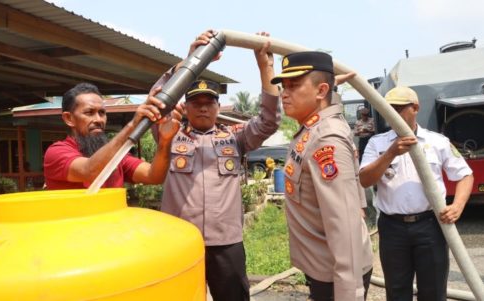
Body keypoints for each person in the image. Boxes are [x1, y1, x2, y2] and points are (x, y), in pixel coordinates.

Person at [152, 30, 280, 301]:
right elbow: (155, 104)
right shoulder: (169, 135)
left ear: (217, 106)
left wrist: (264, 66)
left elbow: (269, 120)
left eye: (208, 102)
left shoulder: (235, 138)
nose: (202, 108)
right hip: (180, 241)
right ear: (185, 107)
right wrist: (186, 62)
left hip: (226, 243)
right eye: (195, 103)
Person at [271, 51, 373, 300]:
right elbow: (330, 104)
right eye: (283, 86)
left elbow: (344, 225)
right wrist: (332, 88)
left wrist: (349, 294)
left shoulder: (326, 139)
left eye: (293, 86)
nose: (284, 93)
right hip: (323, 267)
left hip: (337, 277)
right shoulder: (314, 126)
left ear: (320, 91)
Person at [359, 86, 474, 301]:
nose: (394, 114)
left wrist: (457, 206)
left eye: (400, 108)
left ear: (416, 108)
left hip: (430, 225)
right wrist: (391, 152)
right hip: (393, 228)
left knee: (433, 290)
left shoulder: (437, 141)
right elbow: (365, 179)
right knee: (397, 289)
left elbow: (465, 175)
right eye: (390, 109)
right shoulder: (378, 143)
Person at [43, 82, 181, 189]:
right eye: (89, 113)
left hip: (113, 226)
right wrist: (133, 125)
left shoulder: (116, 155)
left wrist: (165, 141)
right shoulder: (56, 152)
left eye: (102, 113)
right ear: (69, 118)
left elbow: (154, 176)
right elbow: (89, 171)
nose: (98, 120)